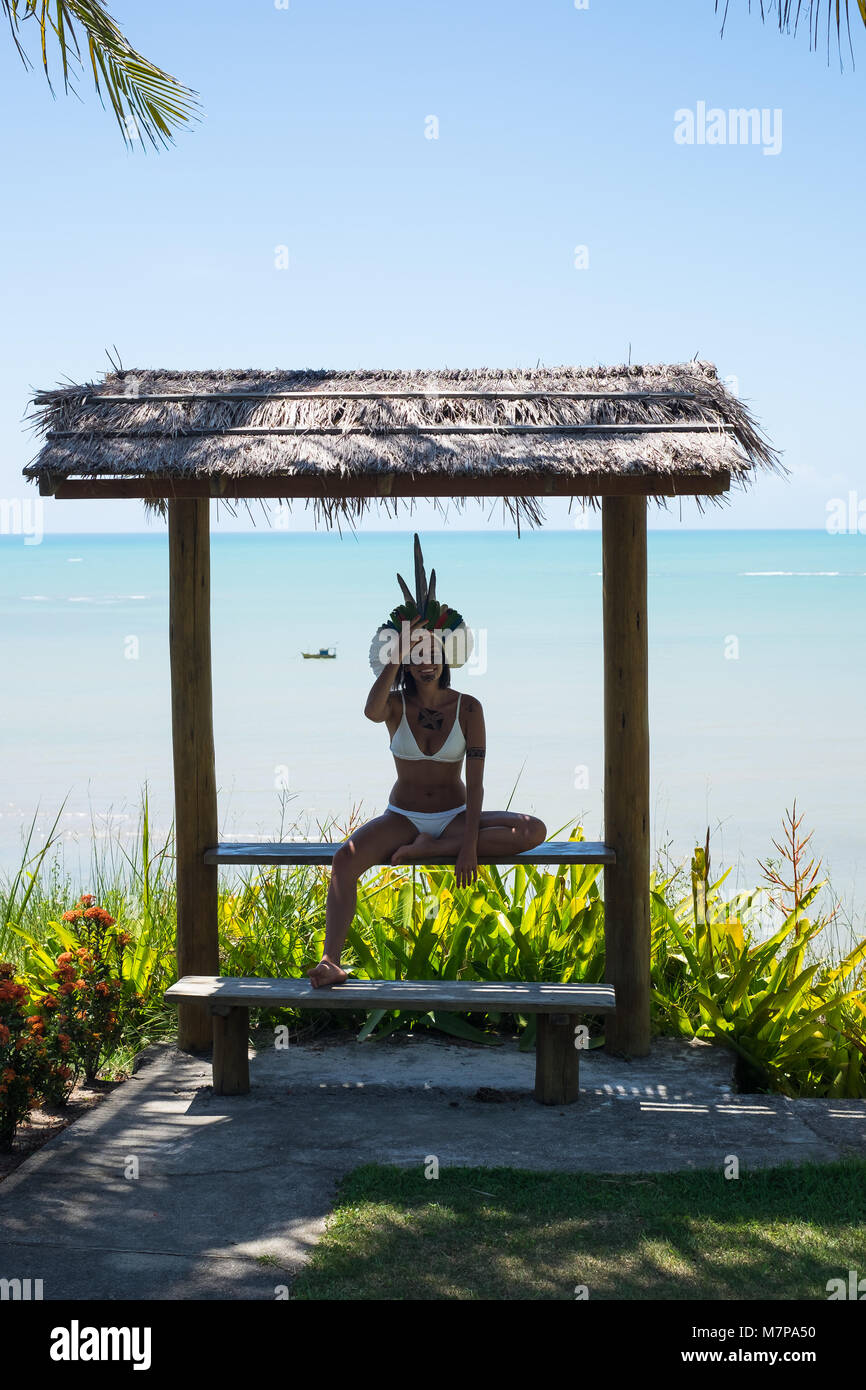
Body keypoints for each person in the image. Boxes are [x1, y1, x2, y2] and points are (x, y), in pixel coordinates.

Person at [307, 541, 547, 988]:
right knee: (344, 858)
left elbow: (475, 786)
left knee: (533, 829)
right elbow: (369, 711)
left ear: (445, 655)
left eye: (431, 652)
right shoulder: (395, 706)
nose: (424, 662)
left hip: (457, 818)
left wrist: (468, 845)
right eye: (414, 656)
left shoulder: (469, 708)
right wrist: (398, 649)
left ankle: (430, 849)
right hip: (403, 817)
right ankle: (329, 961)